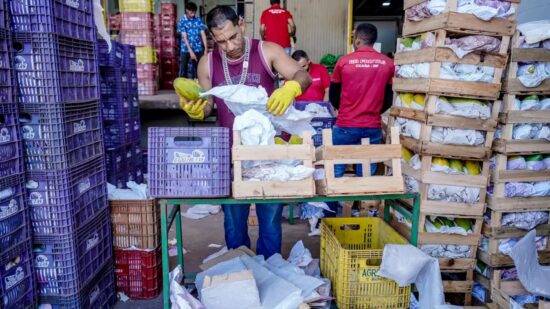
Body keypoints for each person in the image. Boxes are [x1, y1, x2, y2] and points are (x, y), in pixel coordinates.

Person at [178, 5, 311, 258]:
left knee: (270, 221)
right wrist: (196, 110)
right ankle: (240, 270)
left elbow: (301, 74)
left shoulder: (266, 50)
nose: (229, 46)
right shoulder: (207, 64)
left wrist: (290, 88)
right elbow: (208, 106)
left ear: (241, 24)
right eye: (221, 42)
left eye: (233, 37)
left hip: (269, 155)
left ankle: (271, 267)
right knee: (234, 222)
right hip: (232, 157)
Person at [325, 23, 394, 216]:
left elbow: (333, 95)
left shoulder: (344, 62)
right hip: (372, 127)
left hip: (346, 125)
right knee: (365, 174)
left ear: (357, 39)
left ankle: (331, 216)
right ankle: (359, 213)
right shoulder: (388, 64)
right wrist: (373, 112)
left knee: (336, 170)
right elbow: (388, 97)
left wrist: (347, 110)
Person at [178, 2, 208, 79]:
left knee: (199, 69)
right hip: (185, 49)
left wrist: (205, 49)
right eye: (191, 11)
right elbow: (184, 37)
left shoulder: (198, 20)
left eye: (194, 11)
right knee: (183, 69)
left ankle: (198, 86)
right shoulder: (182, 21)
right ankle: (182, 87)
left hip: (198, 48)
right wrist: (190, 51)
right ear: (187, 10)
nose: (193, 13)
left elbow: (203, 34)